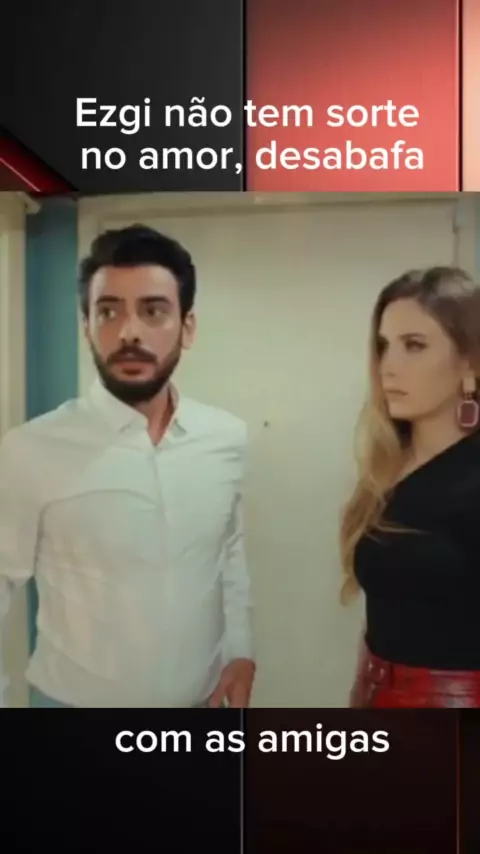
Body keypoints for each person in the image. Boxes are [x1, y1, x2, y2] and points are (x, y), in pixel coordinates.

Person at [0, 224, 255, 708]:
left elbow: (228, 549)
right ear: (86, 326)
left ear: (187, 327)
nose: (129, 332)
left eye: (153, 310)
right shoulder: (30, 450)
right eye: (108, 311)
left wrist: (240, 649)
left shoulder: (226, 438)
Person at [341, 266, 480, 708]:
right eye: (384, 346)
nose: (389, 366)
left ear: (469, 361)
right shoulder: (387, 468)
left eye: (414, 346)